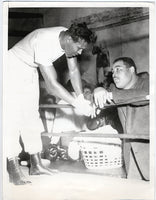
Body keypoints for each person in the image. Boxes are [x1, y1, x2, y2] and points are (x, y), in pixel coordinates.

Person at [5, 22, 97, 185]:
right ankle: (12, 168)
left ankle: (36, 164)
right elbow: (52, 86)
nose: (80, 52)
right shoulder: (44, 41)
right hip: (11, 66)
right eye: (79, 48)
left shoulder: (67, 37)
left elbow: (74, 71)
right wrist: (76, 104)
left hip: (29, 68)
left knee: (32, 115)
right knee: (12, 117)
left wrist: (80, 97)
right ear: (69, 39)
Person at [93, 57, 149, 180]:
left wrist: (110, 95)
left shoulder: (147, 82)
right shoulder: (114, 88)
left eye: (118, 70)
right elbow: (96, 96)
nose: (114, 75)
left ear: (132, 70)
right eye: (113, 71)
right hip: (130, 149)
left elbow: (144, 95)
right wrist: (98, 90)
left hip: (149, 147)